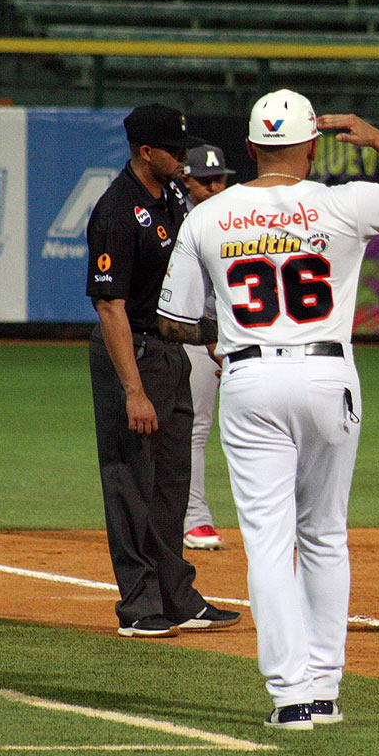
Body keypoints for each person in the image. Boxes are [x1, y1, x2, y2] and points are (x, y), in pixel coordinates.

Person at [157, 89, 379, 728]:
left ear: (251, 147)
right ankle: (325, 688)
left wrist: (226, 330)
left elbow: (174, 320)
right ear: (312, 146)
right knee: (325, 534)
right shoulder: (343, 201)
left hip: (249, 379)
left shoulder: (209, 214)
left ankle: (290, 698)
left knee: (269, 541)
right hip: (327, 375)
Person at [85, 103, 241, 638]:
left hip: (172, 352)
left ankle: (176, 595)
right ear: (145, 151)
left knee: (172, 480)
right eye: (174, 150)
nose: (183, 157)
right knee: (131, 479)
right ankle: (137, 604)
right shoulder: (116, 210)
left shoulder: (174, 198)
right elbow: (110, 307)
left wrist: (213, 340)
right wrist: (132, 389)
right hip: (134, 354)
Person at [178, 143, 237, 551]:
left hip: (239, 333)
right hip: (195, 335)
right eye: (205, 180)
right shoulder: (178, 219)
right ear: (186, 181)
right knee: (196, 428)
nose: (215, 186)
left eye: (220, 179)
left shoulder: (236, 214)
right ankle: (194, 518)